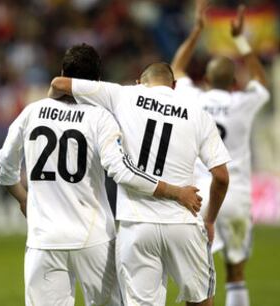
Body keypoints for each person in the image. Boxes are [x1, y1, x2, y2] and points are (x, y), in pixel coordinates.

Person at [0, 44, 202, 306]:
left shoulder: (32, 112)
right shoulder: (101, 118)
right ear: (96, 81)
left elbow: (5, 163)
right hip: (94, 238)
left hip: (44, 240)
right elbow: (120, 170)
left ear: (63, 72)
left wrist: (22, 198)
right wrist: (174, 191)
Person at [49, 47, 230, 306]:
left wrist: (49, 107)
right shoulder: (198, 114)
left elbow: (60, 83)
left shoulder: (124, 94)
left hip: (135, 225)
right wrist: (210, 219)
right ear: (174, 85)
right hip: (183, 221)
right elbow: (221, 177)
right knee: (201, 302)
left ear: (139, 82)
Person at [171, 3, 270, 306]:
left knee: (200, 276)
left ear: (206, 81)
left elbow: (175, 69)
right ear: (235, 84)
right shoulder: (243, 102)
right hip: (237, 195)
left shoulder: (194, 98)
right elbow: (262, 83)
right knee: (236, 273)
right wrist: (241, 40)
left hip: (202, 197)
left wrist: (198, 29)